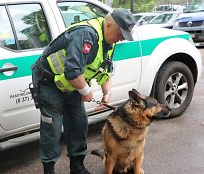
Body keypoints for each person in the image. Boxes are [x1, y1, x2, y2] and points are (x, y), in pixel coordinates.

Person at [30, 8, 136, 174]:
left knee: (79, 123)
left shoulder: (109, 42)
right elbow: (72, 71)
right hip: (49, 82)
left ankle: (77, 167)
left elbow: (105, 69)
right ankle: (49, 170)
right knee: (53, 128)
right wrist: (86, 91)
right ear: (108, 25)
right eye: (120, 33)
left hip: (72, 84)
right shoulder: (86, 35)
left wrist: (106, 93)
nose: (121, 39)